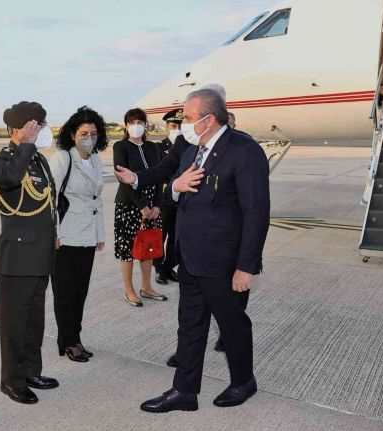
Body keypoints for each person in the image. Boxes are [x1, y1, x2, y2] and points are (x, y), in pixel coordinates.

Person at [116, 88, 269, 412]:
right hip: (190, 257)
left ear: (208, 120)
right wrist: (175, 186)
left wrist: (246, 266)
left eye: (187, 117)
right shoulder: (190, 151)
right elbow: (172, 194)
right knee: (190, 325)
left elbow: (257, 213)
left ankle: (243, 381)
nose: (182, 124)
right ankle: (184, 391)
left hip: (223, 262)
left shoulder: (244, 151)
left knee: (232, 324)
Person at [0, 101, 60, 404]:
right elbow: (8, 180)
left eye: (41, 125)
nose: (42, 130)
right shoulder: (5, 159)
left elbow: (49, 201)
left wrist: (54, 235)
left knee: (34, 322)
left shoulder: (38, 160)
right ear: (19, 129)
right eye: (37, 126)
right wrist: (26, 144)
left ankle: (31, 371)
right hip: (17, 258)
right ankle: (12, 380)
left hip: (40, 254)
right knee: (15, 325)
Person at [48, 106, 107, 363]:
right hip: (66, 236)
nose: (89, 138)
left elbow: (97, 199)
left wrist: (100, 233)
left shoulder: (95, 160)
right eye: (84, 133)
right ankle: (67, 341)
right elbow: (50, 198)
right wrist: (53, 233)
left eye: (93, 133)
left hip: (87, 236)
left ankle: (76, 337)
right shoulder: (63, 159)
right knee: (65, 292)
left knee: (80, 291)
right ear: (73, 135)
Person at [112, 108, 167, 307]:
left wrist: (158, 205)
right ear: (126, 125)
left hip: (153, 205)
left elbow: (160, 176)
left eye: (140, 122)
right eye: (132, 122)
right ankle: (130, 290)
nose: (136, 126)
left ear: (145, 125)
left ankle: (146, 287)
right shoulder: (121, 146)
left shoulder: (153, 147)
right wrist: (142, 205)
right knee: (127, 249)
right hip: (129, 204)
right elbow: (123, 179)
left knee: (148, 246)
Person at [154, 108, 187, 286]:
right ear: (167, 127)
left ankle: (169, 267)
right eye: (174, 126)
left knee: (176, 236)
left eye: (180, 126)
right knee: (161, 235)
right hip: (164, 199)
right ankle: (159, 268)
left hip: (181, 199)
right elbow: (157, 174)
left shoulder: (188, 146)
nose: (177, 129)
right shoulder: (158, 148)